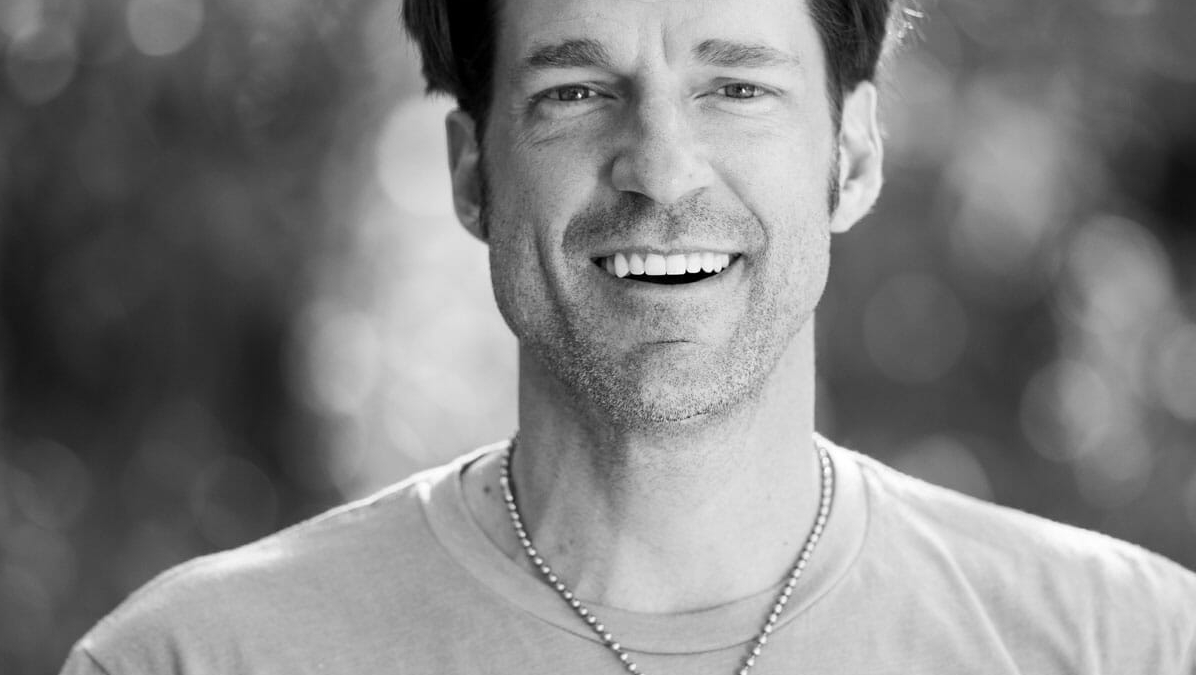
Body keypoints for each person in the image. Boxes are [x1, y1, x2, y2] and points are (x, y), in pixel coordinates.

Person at [61, 0, 1196, 672]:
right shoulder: (202, 659)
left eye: (736, 88)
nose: (658, 168)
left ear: (851, 157)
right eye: (575, 92)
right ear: (473, 174)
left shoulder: (1126, 647)